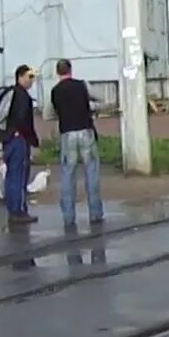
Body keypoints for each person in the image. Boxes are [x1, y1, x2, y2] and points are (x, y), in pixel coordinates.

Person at [50, 58, 104, 226]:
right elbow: (100, 99)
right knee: (91, 172)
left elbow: (47, 113)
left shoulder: (54, 91)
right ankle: (95, 213)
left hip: (67, 133)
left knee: (67, 175)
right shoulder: (82, 85)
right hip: (85, 131)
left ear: (58, 72)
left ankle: (68, 216)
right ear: (70, 70)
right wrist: (90, 108)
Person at [2, 64, 39, 224]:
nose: (32, 81)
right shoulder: (22, 96)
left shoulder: (11, 94)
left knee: (11, 175)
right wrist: (32, 139)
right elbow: (23, 120)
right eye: (29, 77)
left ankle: (12, 209)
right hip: (19, 140)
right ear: (20, 77)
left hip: (8, 139)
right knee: (19, 176)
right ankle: (19, 211)